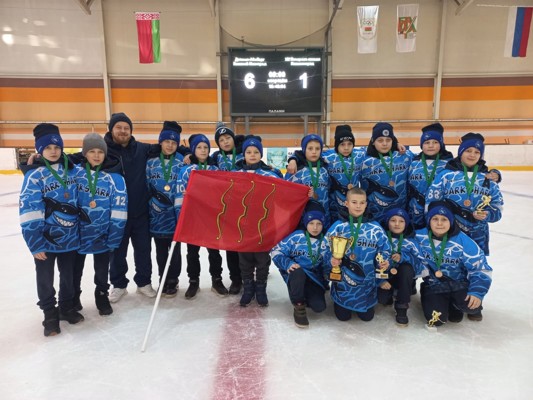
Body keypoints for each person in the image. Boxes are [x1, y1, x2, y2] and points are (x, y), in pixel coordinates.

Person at [104, 113, 189, 303]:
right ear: (111, 129)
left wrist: (187, 152)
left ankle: (143, 282)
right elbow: (79, 157)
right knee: (117, 251)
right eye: (119, 127)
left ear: (131, 130)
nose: (123, 131)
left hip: (141, 212)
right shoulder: (103, 150)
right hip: (117, 212)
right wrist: (39, 159)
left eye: (126, 128)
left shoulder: (141, 149)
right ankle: (119, 285)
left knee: (143, 250)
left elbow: (169, 145)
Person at [19, 123, 84, 336]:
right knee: (45, 279)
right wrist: (35, 242)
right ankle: (49, 314)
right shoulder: (34, 176)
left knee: (68, 277)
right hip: (45, 240)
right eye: (48, 148)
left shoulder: (73, 171)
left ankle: (65, 307)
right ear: (40, 150)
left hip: (70, 237)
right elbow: (29, 211)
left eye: (57, 147)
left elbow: (94, 161)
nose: (53, 151)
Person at [74, 133, 127, 316]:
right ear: (84, 153)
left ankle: (102, 295)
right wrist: (36, 160)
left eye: (100, 152)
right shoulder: (75, 174)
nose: (96, 155)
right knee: (75, 270)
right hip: (78, 234)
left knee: (102, 269)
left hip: (102, 234)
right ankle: (74, 297)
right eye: (92, 151)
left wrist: (114, 237)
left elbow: (119, 211)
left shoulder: (114, 178)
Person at [416, 200, 492, 327]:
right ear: (429, 220)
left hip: (458, 285)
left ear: (451, 221)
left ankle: (455, 303)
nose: (439, 223)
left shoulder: (464, 241)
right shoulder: (418, 237)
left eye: (444, 219)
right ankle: (430, 297)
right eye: (435, 219)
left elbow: (481, 269)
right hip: (434, 285)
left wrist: (476, 292)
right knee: (437, 321)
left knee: (471, 308)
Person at [426, 132, 503, 256]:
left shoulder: (488, 179)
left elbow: (498, 209)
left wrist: (487, 214)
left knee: (475, 265)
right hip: (448, 234)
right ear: (461, 152)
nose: (472, 155)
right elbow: (431, 204)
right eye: (468, 151)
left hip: (478, 236)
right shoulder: (446, 175)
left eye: (477, 152)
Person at [323, 187, 391, 322]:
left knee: (367, 318)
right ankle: (340, 300)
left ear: (366, 204)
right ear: (346, 203)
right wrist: (331, 260)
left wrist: (384, 262)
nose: (358, 206)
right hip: (343, 287)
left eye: (362, 202)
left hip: (367, 287)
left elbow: (385, 250)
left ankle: (365, 301)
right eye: (354, 202)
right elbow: (324, 248)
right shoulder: (338, 227)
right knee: (343, 317)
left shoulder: (376, 228)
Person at [175, 133, 227, 299]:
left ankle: (217, 280)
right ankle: (193, 281)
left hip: (211, 218)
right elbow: (179, 195)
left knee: (214, 251)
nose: (203, 150)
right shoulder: (186, 171)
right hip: (193, 219)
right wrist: (181, 217)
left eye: (206, 147)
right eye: (199, 147)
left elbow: (222, 193)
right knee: (192, 252)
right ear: (193, 150)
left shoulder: (216, 170)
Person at [234, 135, 283, 307]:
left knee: (262, 261)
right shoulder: (235, 175)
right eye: (249, 152)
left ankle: (261, 289)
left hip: (264, 227)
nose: (252, 155)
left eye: (256, 152)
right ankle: (248, 289)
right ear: (244, 154)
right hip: (242, 227)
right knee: (244, 261)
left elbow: (286, 191)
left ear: (261, 154)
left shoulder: (270, 175)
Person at [271, 200, 328, 328]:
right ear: (305, 222)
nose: (315, 227)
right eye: (311, 223)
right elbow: (275, 251)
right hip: (297, 274)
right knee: (298, 272)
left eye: (319, 223)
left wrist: (327, 279)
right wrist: (288, 264)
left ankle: (306, 293)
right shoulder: (296, 236)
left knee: (319, 307)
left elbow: (327, 265)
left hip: (313, 278)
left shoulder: (326, 241)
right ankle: (298, 305)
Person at [146, 121, 184, 298]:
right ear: (160, 142)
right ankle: (163, 277)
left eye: (174, 142)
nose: (170, 145)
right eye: (167, 141)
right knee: (160, 252)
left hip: (175, 217)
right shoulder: (151, 163)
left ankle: (173, 279)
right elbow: (146, 186)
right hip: (156, 217)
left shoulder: (181, 162)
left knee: (175, 252)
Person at [210, 123, 245, 295]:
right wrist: (188, 155)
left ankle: (248, 276)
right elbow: (200, 162)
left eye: (228, 138)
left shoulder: (244, 153)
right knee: (231, 246)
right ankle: (236, 279)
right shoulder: (215, 157)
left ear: (233, 139)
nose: (225, 142)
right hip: (226, 209)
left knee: (246, 245)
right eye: (221, 140)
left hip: (245, 206)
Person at [378, 208, 425, 326]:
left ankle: (402, 306)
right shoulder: (381, 238)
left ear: (406, 223)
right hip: (385, 276)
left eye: (401, 221)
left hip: (403, 277)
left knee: (406, 269)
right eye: (393, 220)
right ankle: (389, 292)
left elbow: (420, 263)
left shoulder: (411, 241)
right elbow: (372, 258)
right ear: (387, 222)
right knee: (382, 300)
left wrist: (403, 257)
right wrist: (380, 280)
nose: (397, 224)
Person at [360, 122, 413, 222]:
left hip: (399, 218)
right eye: (380, 140)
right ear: (373, 141)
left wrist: (397, 144)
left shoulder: (404, 156)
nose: (384, 144)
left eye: (388, 140)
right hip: (373, 217)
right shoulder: (363, 159)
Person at [407, 123, 453, 229]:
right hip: (415, 212)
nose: (431, 146)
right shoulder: (413, 162)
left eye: (435, 142)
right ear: (421, 145)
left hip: (438, 214)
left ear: (441, 144)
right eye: (427, 142)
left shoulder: (450, 164)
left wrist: (491, 173)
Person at [285, 134, 331, 227]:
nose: (314, 152)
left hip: (324, 217)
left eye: (317, 149)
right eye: (310, 148)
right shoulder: (296, 170)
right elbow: (287, 194)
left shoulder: (326, 169)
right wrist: (293, 159)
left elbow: (330, 190)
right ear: (304, 150)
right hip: (303, 217)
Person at [322, 125, 365, 222]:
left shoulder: (360, 155)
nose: (346, 148)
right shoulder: (327, 156)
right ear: (336, 145)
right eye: (342, 144)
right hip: (334, 203)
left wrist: (397, 144)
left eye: (349, 144)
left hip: (353, 204)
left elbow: (377, 149)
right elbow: (304, 155)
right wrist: (293, 159)